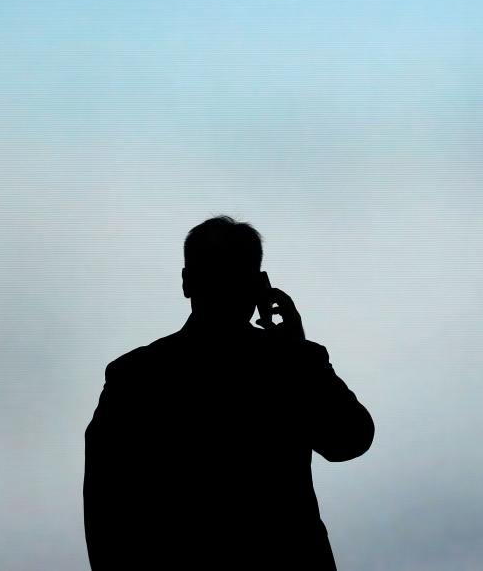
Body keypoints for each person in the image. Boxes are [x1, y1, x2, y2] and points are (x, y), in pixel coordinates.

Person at [84, 216, 374, 570]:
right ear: (258, 286)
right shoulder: (292, 364)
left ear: (187, 282)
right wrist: (298, 350)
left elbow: (104, 507)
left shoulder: (134, 376)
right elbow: (349, 439)